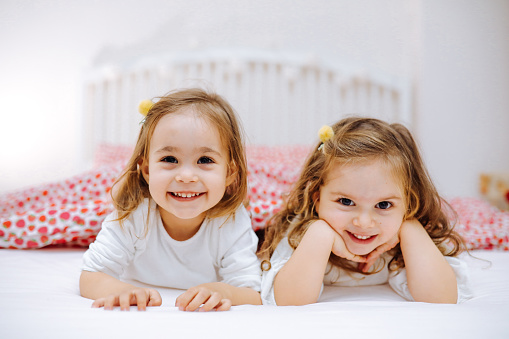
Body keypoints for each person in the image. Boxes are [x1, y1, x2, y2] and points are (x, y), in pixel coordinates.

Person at [80, 88, 262, 312]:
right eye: (170, 159)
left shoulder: (230, 222)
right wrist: (120, 291)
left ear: (229, 173)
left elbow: (252, 292)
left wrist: (226, 292)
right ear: (146, 170)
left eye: (205, 160)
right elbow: (91, 276)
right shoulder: (135, 214)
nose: (186, 176)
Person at [258, 117, 472, 306]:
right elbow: (288, 300)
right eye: (345, 201)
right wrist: (320, 234)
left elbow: (443, 298)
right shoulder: (302, 233)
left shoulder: (406, 238)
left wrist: (409, 227)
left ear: (407, 204)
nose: (364, 222)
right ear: (317, 197)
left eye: (384, 205)